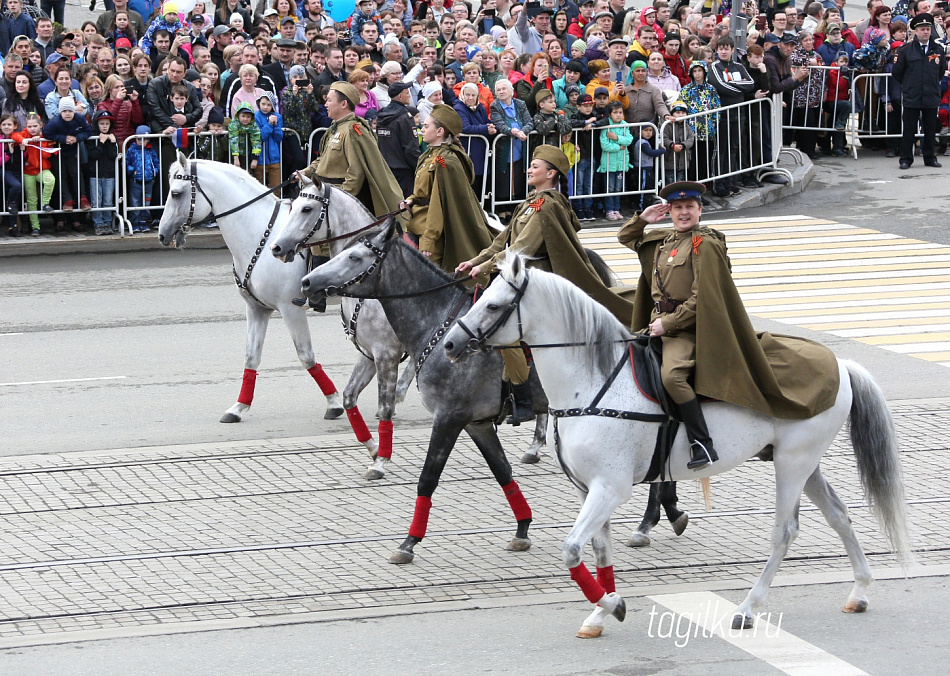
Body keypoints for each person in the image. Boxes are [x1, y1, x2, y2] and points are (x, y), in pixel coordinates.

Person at [618, 182, 841, 469]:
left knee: (672, 377)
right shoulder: (666, 240)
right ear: (669, 212)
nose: (684, 213)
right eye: (677, 208)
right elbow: (626, 237)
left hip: (689, 330)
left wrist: (669, 324)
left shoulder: (704, 244)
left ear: (700, 210)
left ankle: (702, 443)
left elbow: (704, 297)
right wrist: (643, 219)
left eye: (689, 207)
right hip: (658, 325)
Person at [457, 145, 635, 423]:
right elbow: (500, 242)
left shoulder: (547, 205)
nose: (529, 169)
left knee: (502, 329)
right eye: (530, 165)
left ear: (551, 174)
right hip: (517, 276)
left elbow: (522, 247)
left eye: (535, 166)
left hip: (536, 281)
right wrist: (475, 260)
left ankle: (523, 397)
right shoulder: (530, 202)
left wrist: (485, 267)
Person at [399, 103, 495, 273]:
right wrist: (411, 199)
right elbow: (424, 190)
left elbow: (438, 204)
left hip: (431, 231)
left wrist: (429, 239)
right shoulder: (429, 154)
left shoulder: (446, 161)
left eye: (426, 126)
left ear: (440, 132)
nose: (422, 129)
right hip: (417, 222)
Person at [893, 12, 946, 168]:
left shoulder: (938, 49)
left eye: (928, 29)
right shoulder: (905, 50)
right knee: (909, 130)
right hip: (912, 95)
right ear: (915, 31)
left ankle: (930, 158)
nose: (925, 32)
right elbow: (897, 72)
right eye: (922, 29)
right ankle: (905, 159)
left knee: (930, 129)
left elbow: (940, 70)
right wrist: (910, 84)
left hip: (930, 94)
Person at [12, 113, 56, 236]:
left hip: (42, 169)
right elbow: (14, 135)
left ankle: (45, 204)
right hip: (28, 171)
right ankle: (35, 227)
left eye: (35, 126)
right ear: (26, 126)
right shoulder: (25, 134)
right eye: (30, 126)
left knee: (50, 180)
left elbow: (47, 155)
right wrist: (23, 140)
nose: (32, 129)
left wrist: (40, 142)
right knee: (31, 200)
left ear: (40, 125)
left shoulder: (45, 136)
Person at [376, 81, 421, 197]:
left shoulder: (381, 116)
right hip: (403, 170)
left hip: (386, 169)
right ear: (400, 96)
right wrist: (418, 168)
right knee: (405, 207)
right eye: (407, 93)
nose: (409, 96)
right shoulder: (405, 117)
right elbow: (411, 148)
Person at [86, 109, 119, 236]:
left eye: (107, 124)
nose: (105, 126)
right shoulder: (93, 138)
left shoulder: (112, 138)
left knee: (108, 201)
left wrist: (112, 143)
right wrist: (100, 143)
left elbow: (113, 155)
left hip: (109, 174)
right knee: (96, 201)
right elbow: (93, 155)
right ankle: (98, 223)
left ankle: (107, 222)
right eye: (102, 124)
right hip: (95, 174)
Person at [126, 124, 160, 233]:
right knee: (135, 202)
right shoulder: (131, 150)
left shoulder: (150, 150)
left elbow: (156, 162)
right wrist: (132, 171)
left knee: (146, 202)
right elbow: (126, 162)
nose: (141, 142)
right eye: (139, 139)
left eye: (144, 140)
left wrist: (154, 172)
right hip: (136, 180)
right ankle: (134, 222)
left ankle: (143, 221)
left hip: (149, 181)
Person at [254, 92, 283, 190]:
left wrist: (276, 125)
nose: (265, 107)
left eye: (269, 104)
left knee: (276, 188)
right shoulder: (256, 116)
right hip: (260, 159)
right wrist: (269, 124)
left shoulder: (277, 116)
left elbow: (279, 137)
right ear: (259, 103)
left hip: (275, 158)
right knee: (259, 188)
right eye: (263, 104)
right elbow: (260, 136)